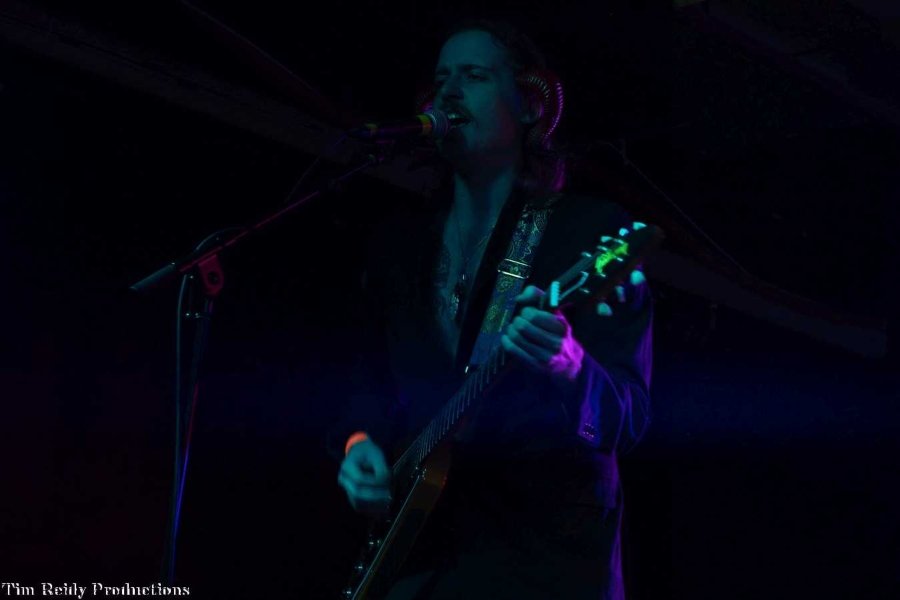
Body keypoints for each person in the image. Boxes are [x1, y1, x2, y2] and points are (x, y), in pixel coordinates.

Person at [330, 19, 653, 600]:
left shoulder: (589, 233)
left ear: (530, 105)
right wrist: (359, 446)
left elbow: (628, 417)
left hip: (542, 562)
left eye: (474, 76)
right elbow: (365, 382)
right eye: (441, 80)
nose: (449, 93)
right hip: (419, 560)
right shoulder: (399, 247)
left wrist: (572, 368)